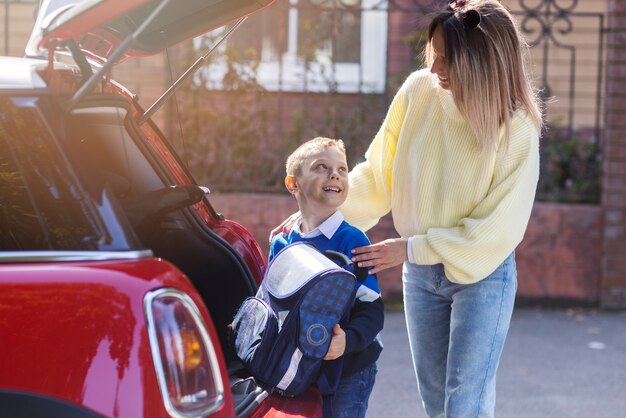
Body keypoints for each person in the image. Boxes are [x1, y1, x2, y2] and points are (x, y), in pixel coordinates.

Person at [272, 1, 543, 417]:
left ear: (484, 62)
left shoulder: (518, 128)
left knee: (464, 404)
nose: (435, 70)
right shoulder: (419, 92)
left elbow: (497, 230)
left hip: (483, 277)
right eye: (434, 55)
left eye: (448, 59)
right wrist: (320, 218)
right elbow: (380, 175)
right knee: (436, 403)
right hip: (420, 276)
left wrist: (411, 248)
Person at [270, 137, 384, 418]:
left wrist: (348, 340)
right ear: (293, 184)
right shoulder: (282, 243)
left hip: (348, 367)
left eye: (342, 169)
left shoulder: (351, 240)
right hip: (299, 366)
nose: (335, 174)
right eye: (321, 166)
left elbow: (373, 308)